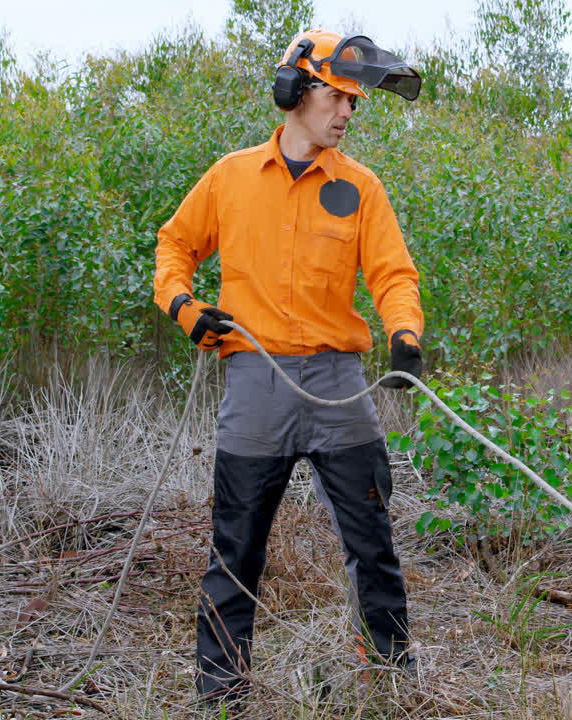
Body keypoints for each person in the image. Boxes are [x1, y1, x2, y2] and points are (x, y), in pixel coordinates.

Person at [152, 29, 425, 708]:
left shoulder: (361, 187)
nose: (347, 112)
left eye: (354, 102)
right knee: (236, 549)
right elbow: (174, 245)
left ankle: (392, 686)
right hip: (256, 385)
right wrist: (184, 307)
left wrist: (405, 336)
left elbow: (393, 274)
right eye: (338, 96)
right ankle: (222, 697)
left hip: (339, 386)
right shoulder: (231, 177)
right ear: (295, 91)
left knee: (373, 543)